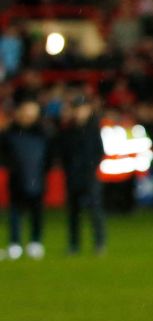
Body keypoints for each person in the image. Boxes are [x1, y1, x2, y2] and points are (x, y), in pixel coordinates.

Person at [56, 91, 107, 255]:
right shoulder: (67, 130)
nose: (80, 112)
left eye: (82, 108)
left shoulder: (93, 129)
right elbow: (63, 153)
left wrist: (90, 168)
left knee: (95, 211)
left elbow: (99, 152)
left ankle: (99, 243)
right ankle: (74, 244)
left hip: (89, 176)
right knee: (73, 213)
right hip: (73, 176)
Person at [4, 96, 50, 260]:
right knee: (16, 212)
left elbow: (49, 157)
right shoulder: (10, 133)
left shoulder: (43, 133)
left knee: (36, 212)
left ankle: (35, 242)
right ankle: (15, 243)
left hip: (37, 178)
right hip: (17, 179)